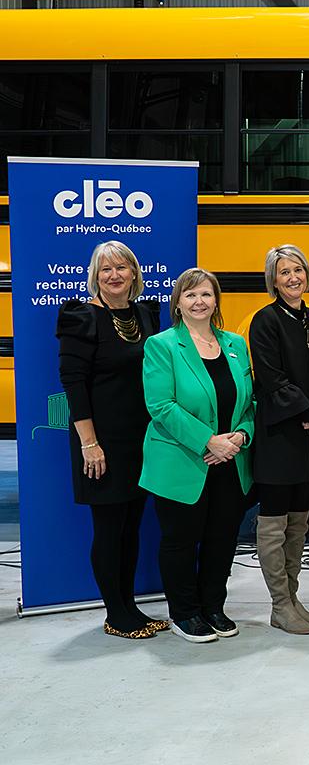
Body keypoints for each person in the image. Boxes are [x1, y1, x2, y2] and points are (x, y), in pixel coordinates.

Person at [56, 241, 165, 639]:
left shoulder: (145, 313)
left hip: (142, 439)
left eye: (122, 267)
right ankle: (115, 614)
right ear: (95, 276)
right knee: (108, 527)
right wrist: (90, 443)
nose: (115, 275)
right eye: (106, 270)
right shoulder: (80, 316)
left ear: (135, 273)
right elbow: (73, 382)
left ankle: (130, 607)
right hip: (101, 442)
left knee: (131, 526)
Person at [140, 268, 255, 643]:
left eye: (206, 294)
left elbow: (251, 404)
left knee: (222, 540)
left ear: (216, 300)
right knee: (181, 540)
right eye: (190, 295)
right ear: (178, 303)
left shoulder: (236, 344)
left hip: (230, 462)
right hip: (183, 461)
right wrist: (209, 441)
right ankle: (185, 613)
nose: (199, 302)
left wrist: (239, 437)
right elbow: (162, 405)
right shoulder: (162, 345)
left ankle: (213, 606)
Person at [248, 245, 309, 635]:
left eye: (298, 270)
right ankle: (279, 605)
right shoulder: (264, 321)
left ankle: (294, 597)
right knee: (275, 519)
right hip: (280, 437)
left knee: (300, 521)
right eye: (283, 272)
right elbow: (271, 379)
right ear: (273, 279)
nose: (292, 278)